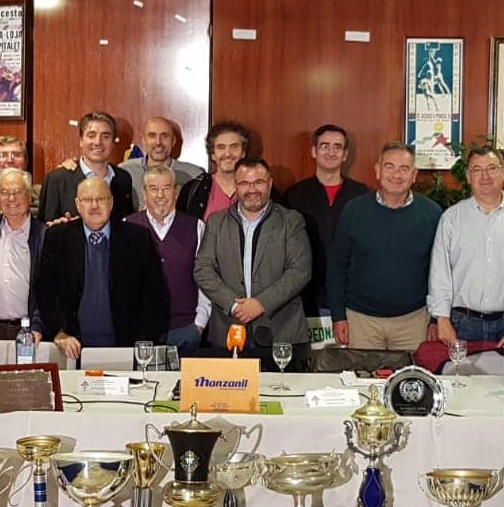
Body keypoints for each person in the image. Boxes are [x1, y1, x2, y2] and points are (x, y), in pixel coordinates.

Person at [194, 157, 312, 369]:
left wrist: (260, 304)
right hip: (227, 333)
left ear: (269, 183)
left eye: (258, 182)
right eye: (245, 183)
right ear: (236, 186)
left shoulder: (291, 221)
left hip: (281, 334)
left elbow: (300, 271)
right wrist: (234, 305)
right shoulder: (216, 222)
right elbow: (203, 270)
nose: (252, 189)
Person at [36, 177, 169, 362]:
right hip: (72, 348)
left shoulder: (138, 238)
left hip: (126, 350)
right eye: (87, 200)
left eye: (100, 199)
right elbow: (45, 291)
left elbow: (155, 296)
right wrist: (59, 332)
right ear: (77, 204)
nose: (94, 205)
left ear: (111, 202)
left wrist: (141, 345)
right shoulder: (57, 237)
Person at [328, 142, 442, 351]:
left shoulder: (432, 214)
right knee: (363, 382)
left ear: (414, 174)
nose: (396, 175)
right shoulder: (354, 210)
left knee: (411, 382)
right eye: (389, 167)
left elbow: (441, 272)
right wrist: (338, 316)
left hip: (414, 321)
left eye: (404, 169)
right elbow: (337, 266)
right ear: (378, 171)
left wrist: (436, 320)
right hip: (361, 321)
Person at [426, 146, 504, 347]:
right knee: (460, 378)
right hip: (462, 324)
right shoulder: (452, 218)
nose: (485, 176)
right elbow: (440, 272)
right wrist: (441, 319)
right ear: (468, 176)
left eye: (492, 168)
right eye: (477, 170)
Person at [282, 124, 370, 321]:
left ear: (345, 154)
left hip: (352, 298)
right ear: (314, 151)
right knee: (312, 353)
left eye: (337, 147)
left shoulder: (362, 195)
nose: (331, 152)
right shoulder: (294, 195)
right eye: (324, 146)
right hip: (306, 298)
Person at [127, 164, 211, 356]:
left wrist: (199, 324)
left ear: (176, 191)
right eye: (153, 188)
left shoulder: (196, 226)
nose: (160, 195)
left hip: (186, 329)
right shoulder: (128, 226)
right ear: (144, 192)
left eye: (166, 188)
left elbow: (205, 279)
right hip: (141, 333)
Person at [0, 169, 46, 345]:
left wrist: (38, 326)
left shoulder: (45, 236)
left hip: (30, 331)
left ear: (29, 196)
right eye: (5, 193)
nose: (11, 199)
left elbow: (51, 291)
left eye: (17, 192)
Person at [38, 111, 134, 223]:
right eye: (91, 135)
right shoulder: (57, 179)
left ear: (113, 143)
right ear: (81, 141)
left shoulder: (123, 178)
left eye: (105, 136)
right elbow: (43, 228)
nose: (98, 142)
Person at [122, 116, 200, 209]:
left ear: (173, 141)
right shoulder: (124, 172)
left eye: (165, 136)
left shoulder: (193, 175)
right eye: (152, 136)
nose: (158, 142)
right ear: (144, 140)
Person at [177, 121, 249, 221]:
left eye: (234, 147)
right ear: (213, 154)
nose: (227, 154)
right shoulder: (192, 190)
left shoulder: (261, 187)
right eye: (221, 147)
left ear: (243, 152)